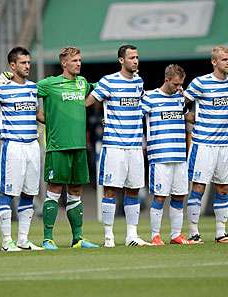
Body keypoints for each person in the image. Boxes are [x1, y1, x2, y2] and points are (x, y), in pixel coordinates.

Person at [85, 44, 150, 247]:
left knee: (133, 190)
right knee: (110, 190)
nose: (135, 61)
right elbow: (87, 102)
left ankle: (131, 235)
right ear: (121, 60)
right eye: (131, 57)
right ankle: (109, 236)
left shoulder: (139, 82)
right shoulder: (108, 81)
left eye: (137, 57)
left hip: (135, 146)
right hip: (114, 146)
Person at [37, 47, 99, 249]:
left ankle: (78, 239)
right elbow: (24, 94)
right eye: (74, 60)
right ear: (64, 63)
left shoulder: (82, 83)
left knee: (75, 191)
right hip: (58, 147)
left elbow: (105, 88)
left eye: (80, 60)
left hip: (79, 147)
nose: (78, 63)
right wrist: (41, 116)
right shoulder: (49, 84)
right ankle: (47, 238)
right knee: (54, 190)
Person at [0, 47, 45, 251]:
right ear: (12, 66)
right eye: (23, 63)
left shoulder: (33, 88)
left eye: (29, 62)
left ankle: (23, 239)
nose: (28, 66)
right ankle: (6, 241)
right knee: (8, 192)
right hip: (13, 146)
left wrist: (57, 124)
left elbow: (38, 113)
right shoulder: (1, 88)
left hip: (33, 145)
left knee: (29, 193)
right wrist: (3, 128)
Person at [184, 46, 228, 244]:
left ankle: (220, 233)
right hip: (203, 144)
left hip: (225, 145)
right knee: (198, 188)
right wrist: (192, 119)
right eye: (224, 59)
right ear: (214, 62)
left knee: (223, 188)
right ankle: (193, 233)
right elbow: (181, 103)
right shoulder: (200, 82)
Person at [140, 64, 193, 245]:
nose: (179, 87)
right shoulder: (149, 97)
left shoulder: (180, 99)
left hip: (179, 155)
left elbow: (188, 117)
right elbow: (133, 115)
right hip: (159, 156)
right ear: (166, 80)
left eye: (181, 84)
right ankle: (155, 235)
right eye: (176, 84)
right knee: (160, 196)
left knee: (179, 195)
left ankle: (176, 235)